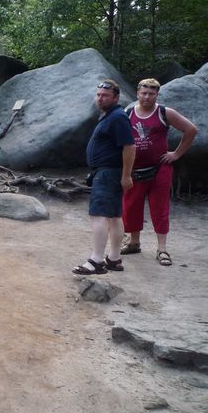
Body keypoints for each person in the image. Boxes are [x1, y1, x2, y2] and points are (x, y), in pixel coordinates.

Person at [121, 78, 198, 266]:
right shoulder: (128, 113)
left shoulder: (164, 112)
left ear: (157, 94)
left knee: (160, 208)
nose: (147, 97)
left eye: (151, 93)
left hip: (160, 169)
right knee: (131, 206)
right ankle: (134, 242)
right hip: (134, 169)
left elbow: (191, 130)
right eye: (143, 93)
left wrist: (176, 154)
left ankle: (162, 249)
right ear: (137, 93)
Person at [72, 79, 135, 275]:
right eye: (98, 95)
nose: (100, 98)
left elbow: (130, 147)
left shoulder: (118, 117)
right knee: (114, 216)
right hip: (108, 172)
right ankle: (114, 259)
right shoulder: (110, 115)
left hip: (108, 172)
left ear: (116, 97)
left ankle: (96, 260)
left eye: (105, 95)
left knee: (98, 215)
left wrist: (126, 175)